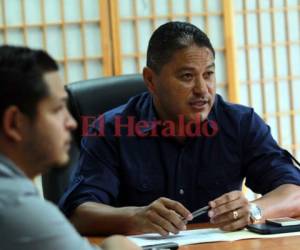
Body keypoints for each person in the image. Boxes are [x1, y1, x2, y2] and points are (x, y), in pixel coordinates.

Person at [59, 21, 300, 236]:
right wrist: (134, 217)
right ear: (151, 80)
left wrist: (254, 210)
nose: (202, 90)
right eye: (187, 76)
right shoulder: (112, 129)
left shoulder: (239, 123)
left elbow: (294, 191)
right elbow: (77, 212)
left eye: (208, 74)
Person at [0, 45, 140, 250]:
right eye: (57, 109)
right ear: (14, 123)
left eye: (207, 74)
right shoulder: (15, 206)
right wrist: (116, 243)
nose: (72, 123)